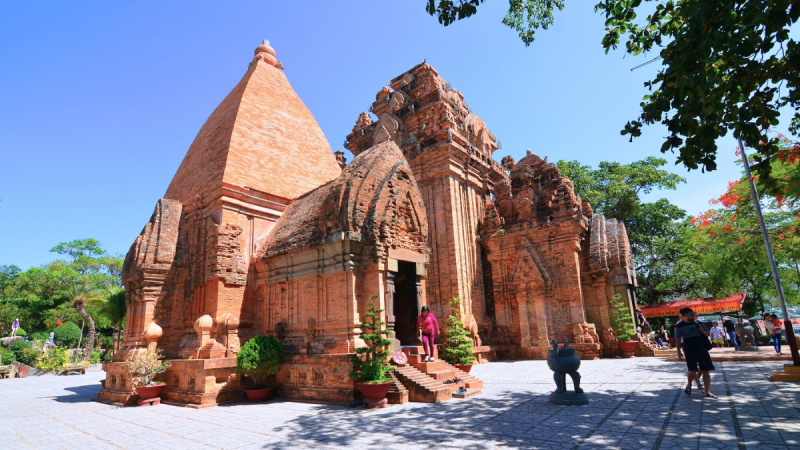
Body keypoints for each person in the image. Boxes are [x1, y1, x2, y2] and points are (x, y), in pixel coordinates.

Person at [675, 307, 716, 398]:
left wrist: (702, 331)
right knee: (692, 370)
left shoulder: (698, 323)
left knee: (706, 370)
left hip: (701, 348)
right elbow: (677, 339)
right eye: (691, 314)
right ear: (685, 315)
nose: (693, 315)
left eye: (693, 314)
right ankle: (689, 383)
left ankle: (707, 392)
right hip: (689, 349)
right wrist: (679, 352)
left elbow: (708, 333)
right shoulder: (679, 326)